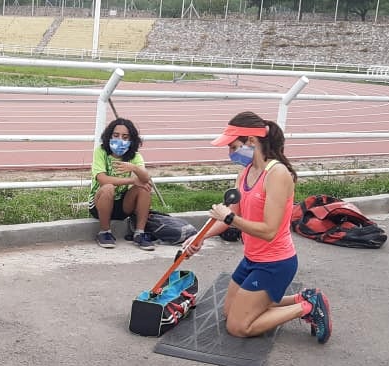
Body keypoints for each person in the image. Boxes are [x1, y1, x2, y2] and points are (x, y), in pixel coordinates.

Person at [185, 111, 331, 343]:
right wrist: (199, 237)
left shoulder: (278, 174)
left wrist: (230, 219)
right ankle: (299, 298)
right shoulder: (244, 174)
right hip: (252, 259)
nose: (230, 153)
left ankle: (307, 307)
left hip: (275, 263)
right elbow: (231, 215)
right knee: (228, 312)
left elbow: (268, 230)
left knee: (238, 326)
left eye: (233, 147)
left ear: (251, 141)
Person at [88, 118, 155, 250]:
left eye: (125, 137)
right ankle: (104, 232)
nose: (120, 140)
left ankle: (139, 233)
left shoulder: (134, 156)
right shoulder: (101, 152)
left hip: (123, 205)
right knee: (108, 188)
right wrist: (131, 180)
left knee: (144, 188)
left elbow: (146, 178)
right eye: (116, 135)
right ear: (109, 136)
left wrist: (135, 169)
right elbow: (102, 179)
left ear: (131, 140)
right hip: (100, 203)